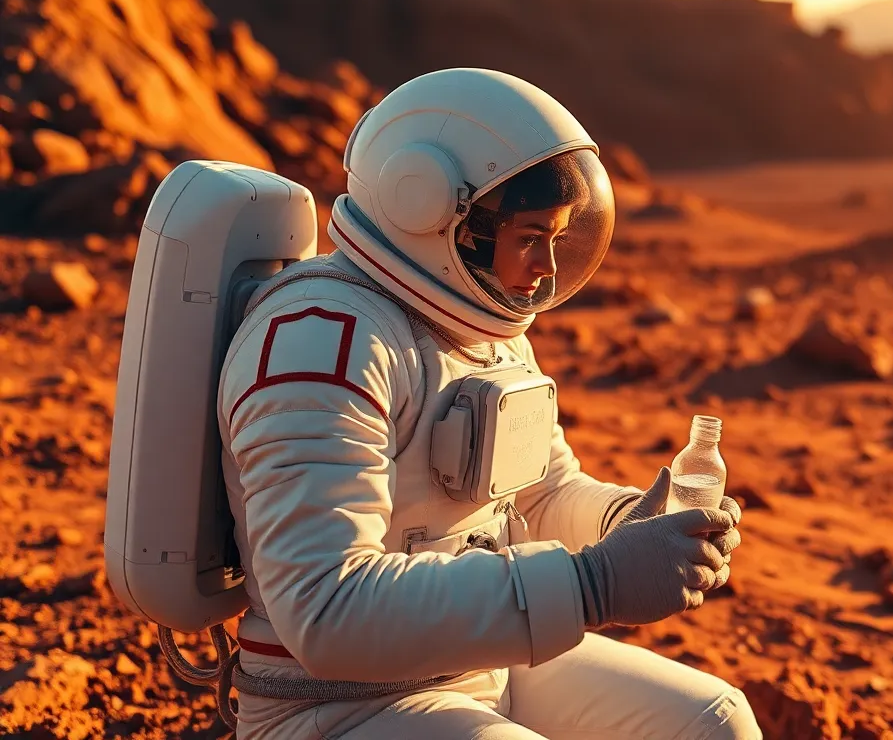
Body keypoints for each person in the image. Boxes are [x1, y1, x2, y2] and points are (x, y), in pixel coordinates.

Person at [215, 67, 761, 739]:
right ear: (431, 210)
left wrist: (628, 525)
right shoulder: (323, 344)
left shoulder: (479, 328)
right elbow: (326, 610)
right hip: (336, 705)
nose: (547, 269)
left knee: (715, 722)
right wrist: (594, 585)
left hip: (480, 665)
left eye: (558, 239)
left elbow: (541, 496)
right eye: (532, 237)